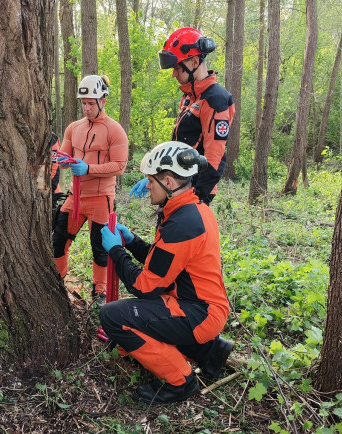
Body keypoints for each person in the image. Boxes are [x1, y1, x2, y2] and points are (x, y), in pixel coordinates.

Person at [100, 141, 233, 405]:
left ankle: (181, 381)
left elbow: (145, 286)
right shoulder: (192, 210)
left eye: (151, 180)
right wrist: (133, 241)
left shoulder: (182, 224)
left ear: (169, 182)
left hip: (198, 312)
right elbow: (165, 262)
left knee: (113, 316)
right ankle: (209, 350)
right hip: (200, 306)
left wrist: (116, 251)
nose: (147, 186)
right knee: (145, 310)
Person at [130, 28, 235, 205]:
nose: (174, 73)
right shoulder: (188, 97)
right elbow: (179, 148)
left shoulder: (216, 99)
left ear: (194, 62)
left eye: (177, 67)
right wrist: (156, 178)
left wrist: (195, 197)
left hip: (194, 188)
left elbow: (215, 159)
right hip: (175, 184)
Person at [53, 75, 129, 304]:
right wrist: (62, 160)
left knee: (100, 247)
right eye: (83, 103)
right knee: (58, 239)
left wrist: (88, 168)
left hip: (101, 199)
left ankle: (100, 292)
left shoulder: (114, 130)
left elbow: (120, 166)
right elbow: (64, 154)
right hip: (74, 197)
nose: (86, 108)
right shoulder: (73, 128)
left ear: (103, 101)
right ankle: (58, 282)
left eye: (91, 103)